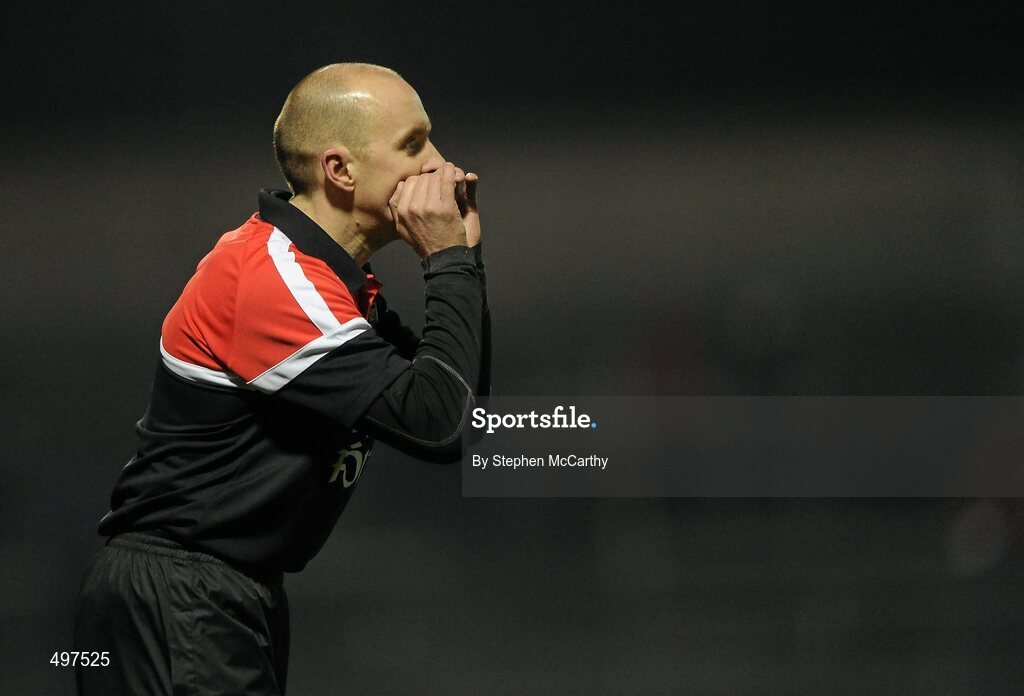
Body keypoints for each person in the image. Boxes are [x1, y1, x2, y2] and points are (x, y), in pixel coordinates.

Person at [73, 63, 490, 695]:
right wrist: (449, 261)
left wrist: (465, 261)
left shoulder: (332, 283)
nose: (439, 164)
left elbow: (462, 410)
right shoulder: (273, 280)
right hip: (181, 595)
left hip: (220, 593)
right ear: (339, 170)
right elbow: (442, 424)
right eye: (412, 145)